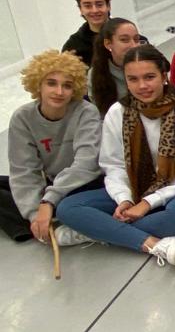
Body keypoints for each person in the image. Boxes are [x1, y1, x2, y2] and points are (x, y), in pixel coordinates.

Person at [56, 45, 175, 266]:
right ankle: (151, 242)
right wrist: (124, 199)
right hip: (135, 187)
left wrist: (148, 203)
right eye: (133, 79)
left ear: (164, 77)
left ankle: (99, 231)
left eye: (149, 77)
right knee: (68, 208)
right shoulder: (117, 112)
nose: (142, 86)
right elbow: (113, 165)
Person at [1, 50, 102, 245]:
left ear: (75, 89)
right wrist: (34, 212)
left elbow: (86, 164)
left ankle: (63, 219)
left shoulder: (86, 112)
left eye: (67, 86)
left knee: (69, 204)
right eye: (51, 83)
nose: (59, 92)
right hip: (53, 184)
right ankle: (40, 226)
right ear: (38, 84)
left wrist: (48, 200)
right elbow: (23, 171)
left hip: (86, 182)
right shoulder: (23, 118)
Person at [89, 17, 141, 117]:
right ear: (108, 44)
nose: (134, 45)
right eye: (124, 40)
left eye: (136, 39)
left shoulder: (149, 65)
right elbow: (100, 116)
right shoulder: (96, 74)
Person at [61, 0, 115, 67]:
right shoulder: (73, 46)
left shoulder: (126, 34)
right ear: (81, 9)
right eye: (87, 6)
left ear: (108, 6)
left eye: (99, 4)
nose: (95, 10)